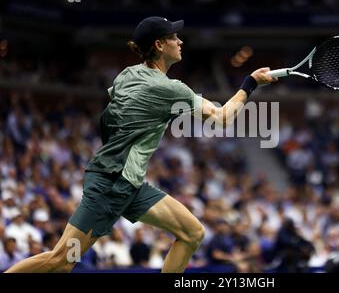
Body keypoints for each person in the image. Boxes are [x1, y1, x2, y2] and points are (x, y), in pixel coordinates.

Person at [5, 16, 275, 273]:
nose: (180, 42)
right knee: (61, 261)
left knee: (192, 233)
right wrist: (250, 83)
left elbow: (108, 119)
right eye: (174, 37)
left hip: (130, 185)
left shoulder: (127, 74)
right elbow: (222, 116)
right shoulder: (170, 89)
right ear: (159, 45)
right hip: (111, 183)